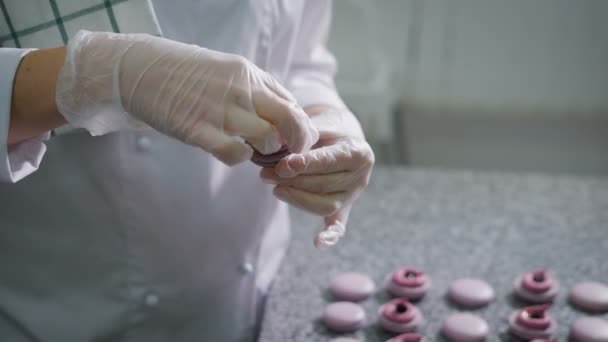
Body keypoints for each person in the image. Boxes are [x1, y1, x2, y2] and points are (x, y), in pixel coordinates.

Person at [0, 0, 374, 341]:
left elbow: (300, 58)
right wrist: (92, 75)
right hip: (54, 311)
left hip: (248, 300)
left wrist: (323, 115)